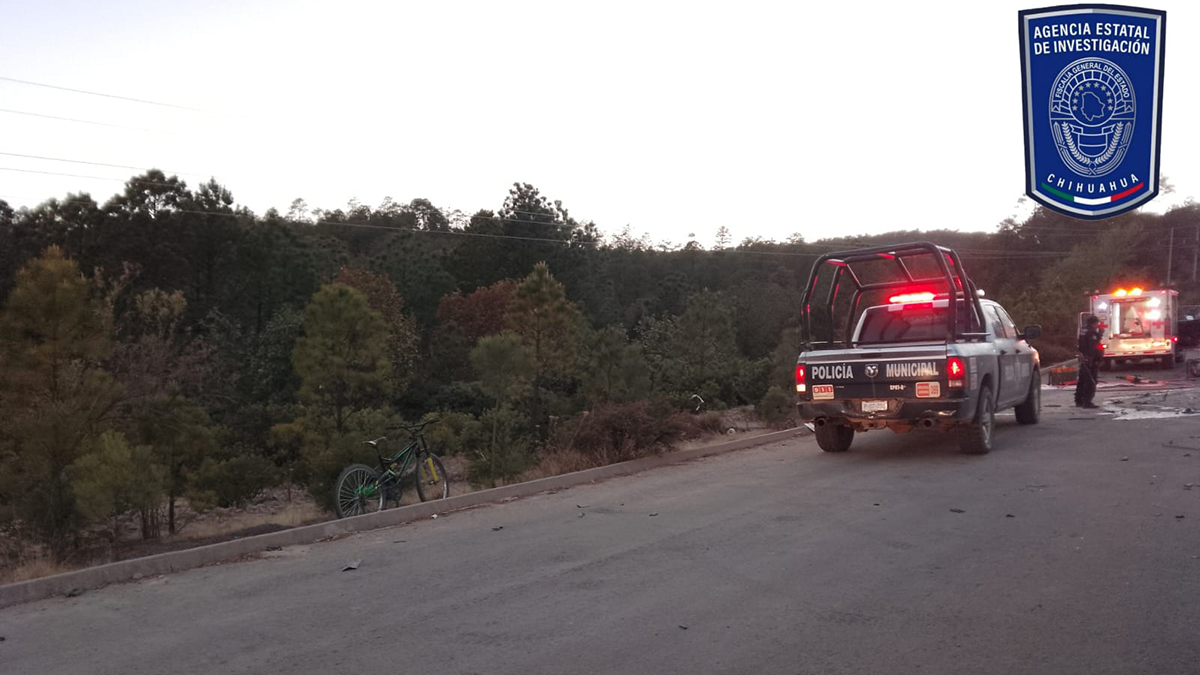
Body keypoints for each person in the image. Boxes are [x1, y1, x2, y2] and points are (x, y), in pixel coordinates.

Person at [1076, 315, 1104, 408]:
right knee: (1091, 381)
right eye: (1097, 323)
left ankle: (1079, 400)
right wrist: (1095, 359)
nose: (1098, 325)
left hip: (1085, 359)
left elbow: (1081, 344)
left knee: (1082, 380)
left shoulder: (1083, 331)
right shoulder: (1091, 333)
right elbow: (1093, 346)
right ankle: (1087, 401)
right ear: (1093, 323)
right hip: (1090, 360)